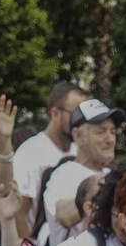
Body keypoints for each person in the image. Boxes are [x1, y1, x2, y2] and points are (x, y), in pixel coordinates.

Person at [35, 98, 124, 246]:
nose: (110, 139)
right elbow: (64, 216)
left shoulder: (109, 172)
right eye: (100, 131)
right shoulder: (64, 174)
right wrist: (108, 184)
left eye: (112, 131)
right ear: (78, 136)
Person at [16, 81, 90, 227]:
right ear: (55, 113)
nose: (82, 121)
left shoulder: (79, 150)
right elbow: (18, 214)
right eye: (76, 114)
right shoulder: (30, 153)